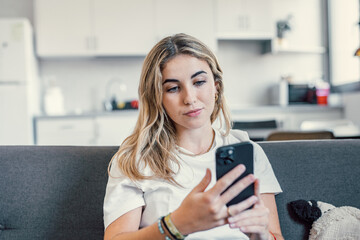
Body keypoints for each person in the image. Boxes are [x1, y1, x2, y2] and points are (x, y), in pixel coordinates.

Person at [103, 33, 284, 240]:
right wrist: (176, 224)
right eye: (173, 88)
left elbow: (276, 236)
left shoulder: (248, 151)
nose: (189, 98)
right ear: (157, 98)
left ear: (216, 87)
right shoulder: (135, 160)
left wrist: (261, 234)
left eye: (198, 82)